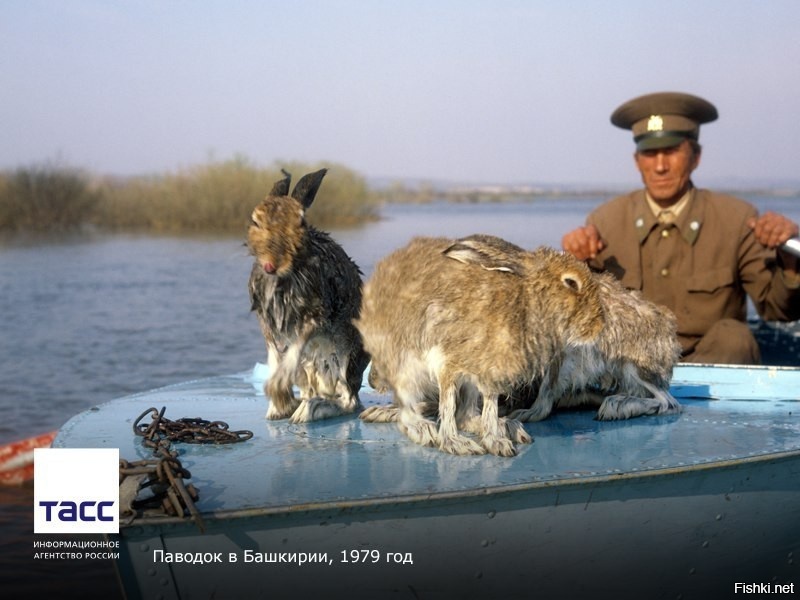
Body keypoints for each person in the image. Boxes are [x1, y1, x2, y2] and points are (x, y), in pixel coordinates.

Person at [561, 91, 800, 364]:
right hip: (631, 367)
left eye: (671, 151)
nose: (660, 166)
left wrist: (790, 263)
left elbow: (779, 311)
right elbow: (579, 319)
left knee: (735, 338)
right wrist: (574, 263)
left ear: (695, 157)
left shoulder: (735, 220)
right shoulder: (605, 222)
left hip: (714, 368)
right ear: (637, 161)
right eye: (650, 153)